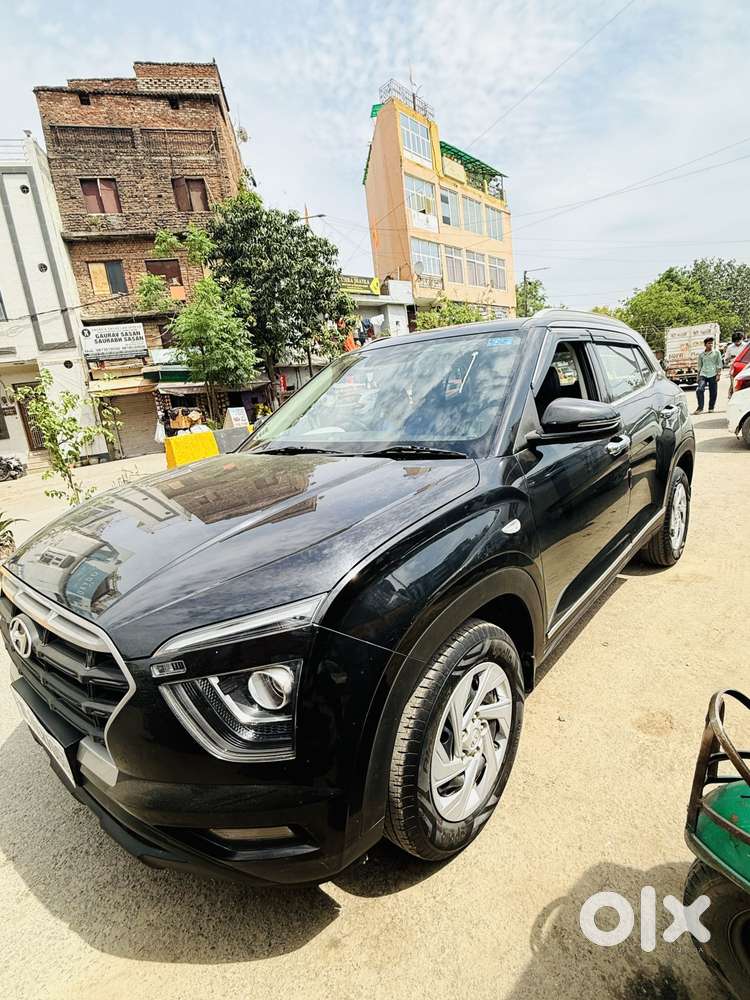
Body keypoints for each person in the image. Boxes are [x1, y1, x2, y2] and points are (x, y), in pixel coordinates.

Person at [694, 335, 722, 414]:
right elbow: (699, 366)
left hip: (713, 374)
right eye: (709, 343)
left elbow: (719, 364)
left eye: (712, 343)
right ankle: (700, 408)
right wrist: (698, 376)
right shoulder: (701, 355)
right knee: (699, 389)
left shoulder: (716, 353)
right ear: (705, 344)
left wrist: (718, 374)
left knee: (713, 392)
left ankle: (711, 407)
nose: (711, 345)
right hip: (703, 374)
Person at [724, 331, 747, 399]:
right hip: (734, 369)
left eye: (738, 340)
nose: (737, 343)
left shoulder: (746, 346)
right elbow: (726, 359)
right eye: (735, 341)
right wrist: (731, 358)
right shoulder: (730, 347)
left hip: (745, 368)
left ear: (742, 339)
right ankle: (732, 396)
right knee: (734, 384)